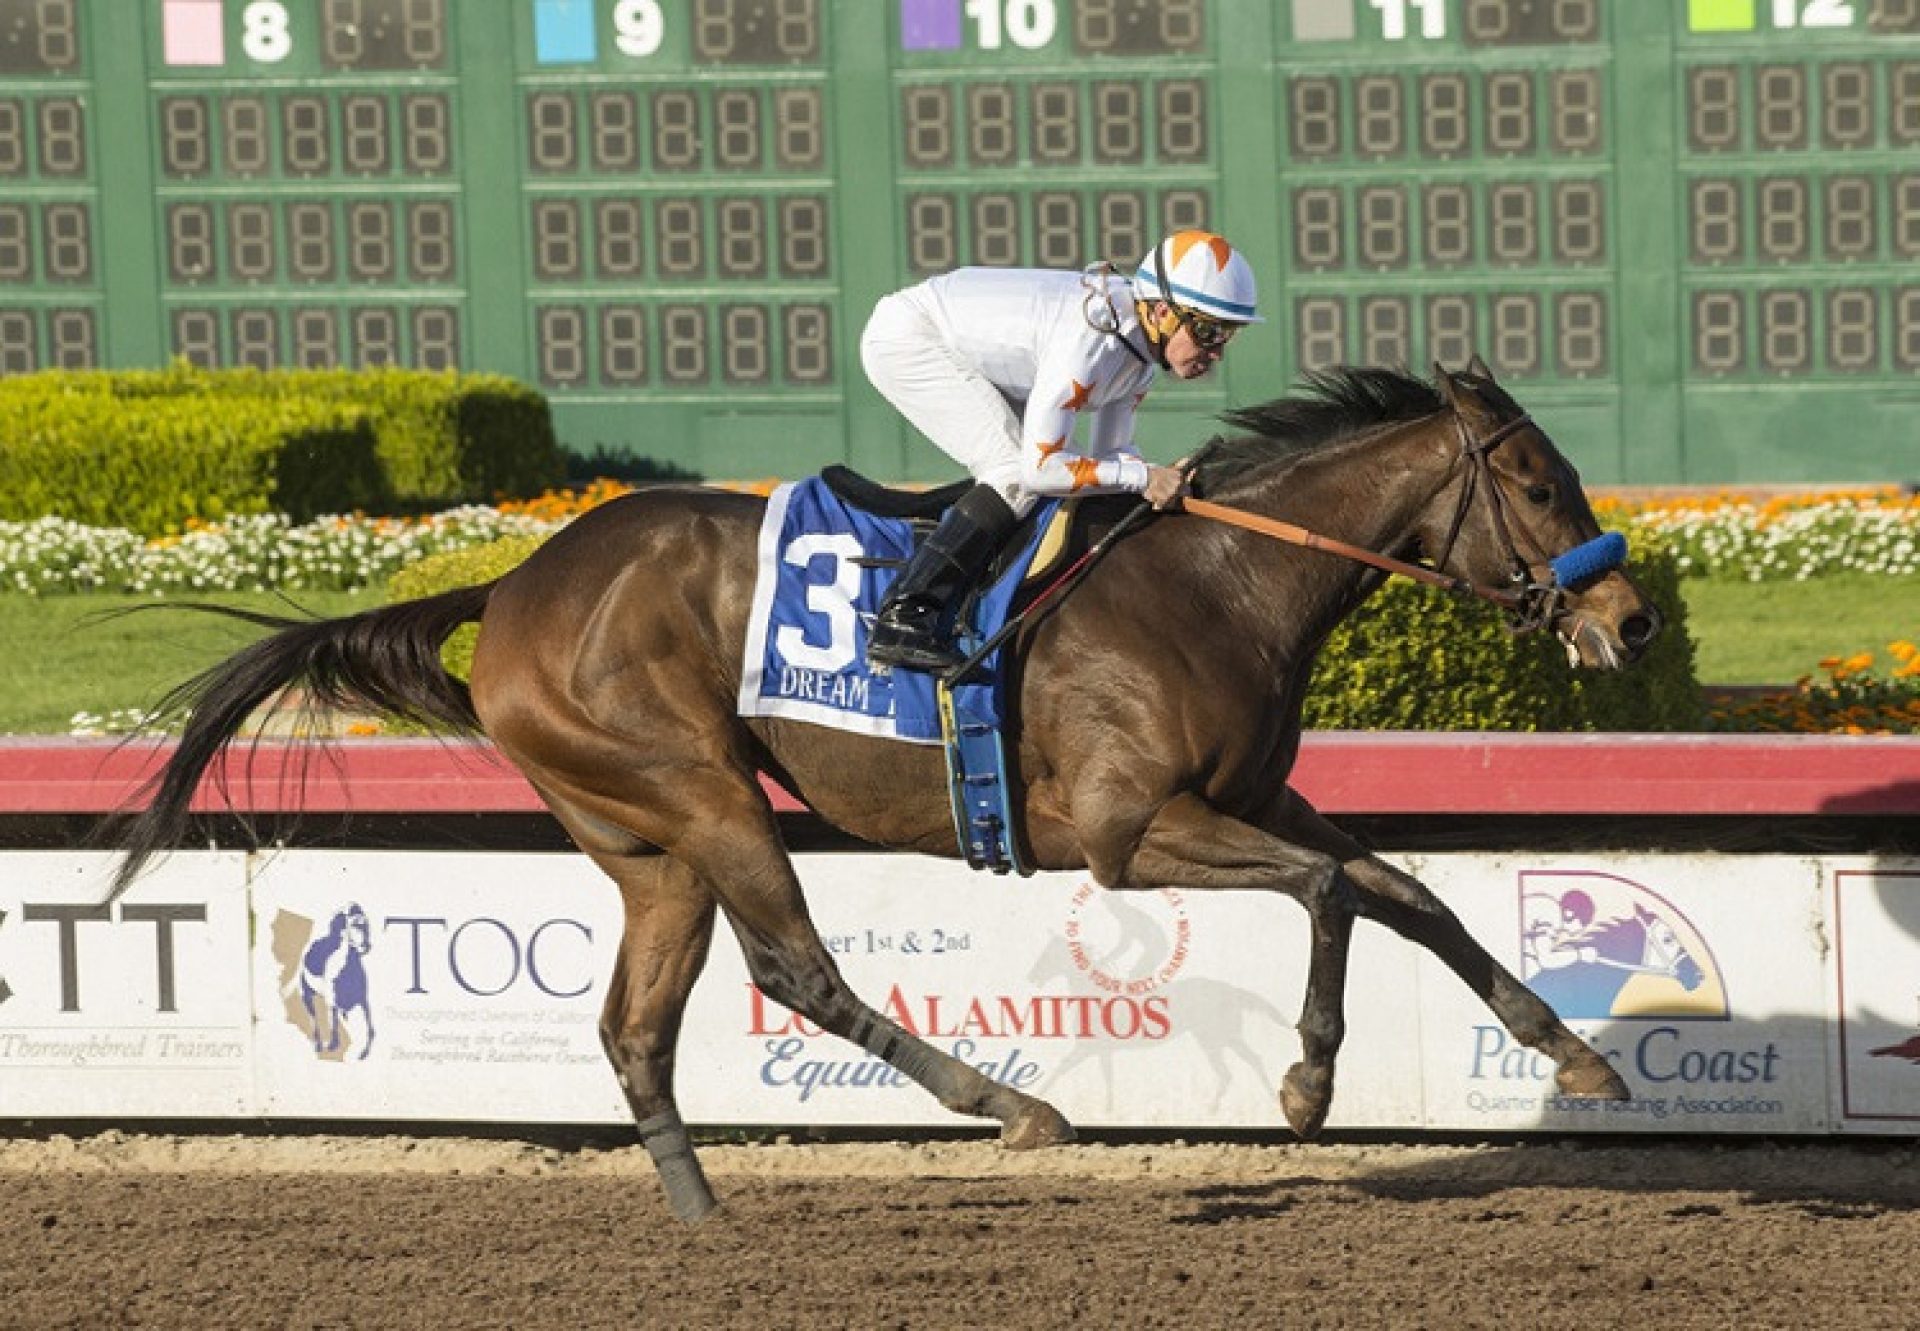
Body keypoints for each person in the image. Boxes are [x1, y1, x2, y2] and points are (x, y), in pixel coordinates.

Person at [858, 229, 1262, 673]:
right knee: (1012, 472)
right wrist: (1145, 476)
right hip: (910, 339)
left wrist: (1155, 480)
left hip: (967, 346)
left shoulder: (1138, 357)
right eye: (1208, 330)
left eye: (1228, 334)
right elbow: (1041, 469)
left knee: (1038, 474)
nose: (1217, 351)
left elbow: (1114, 456)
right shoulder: (1090, 342)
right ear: (1162, 312)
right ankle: (903, 615)